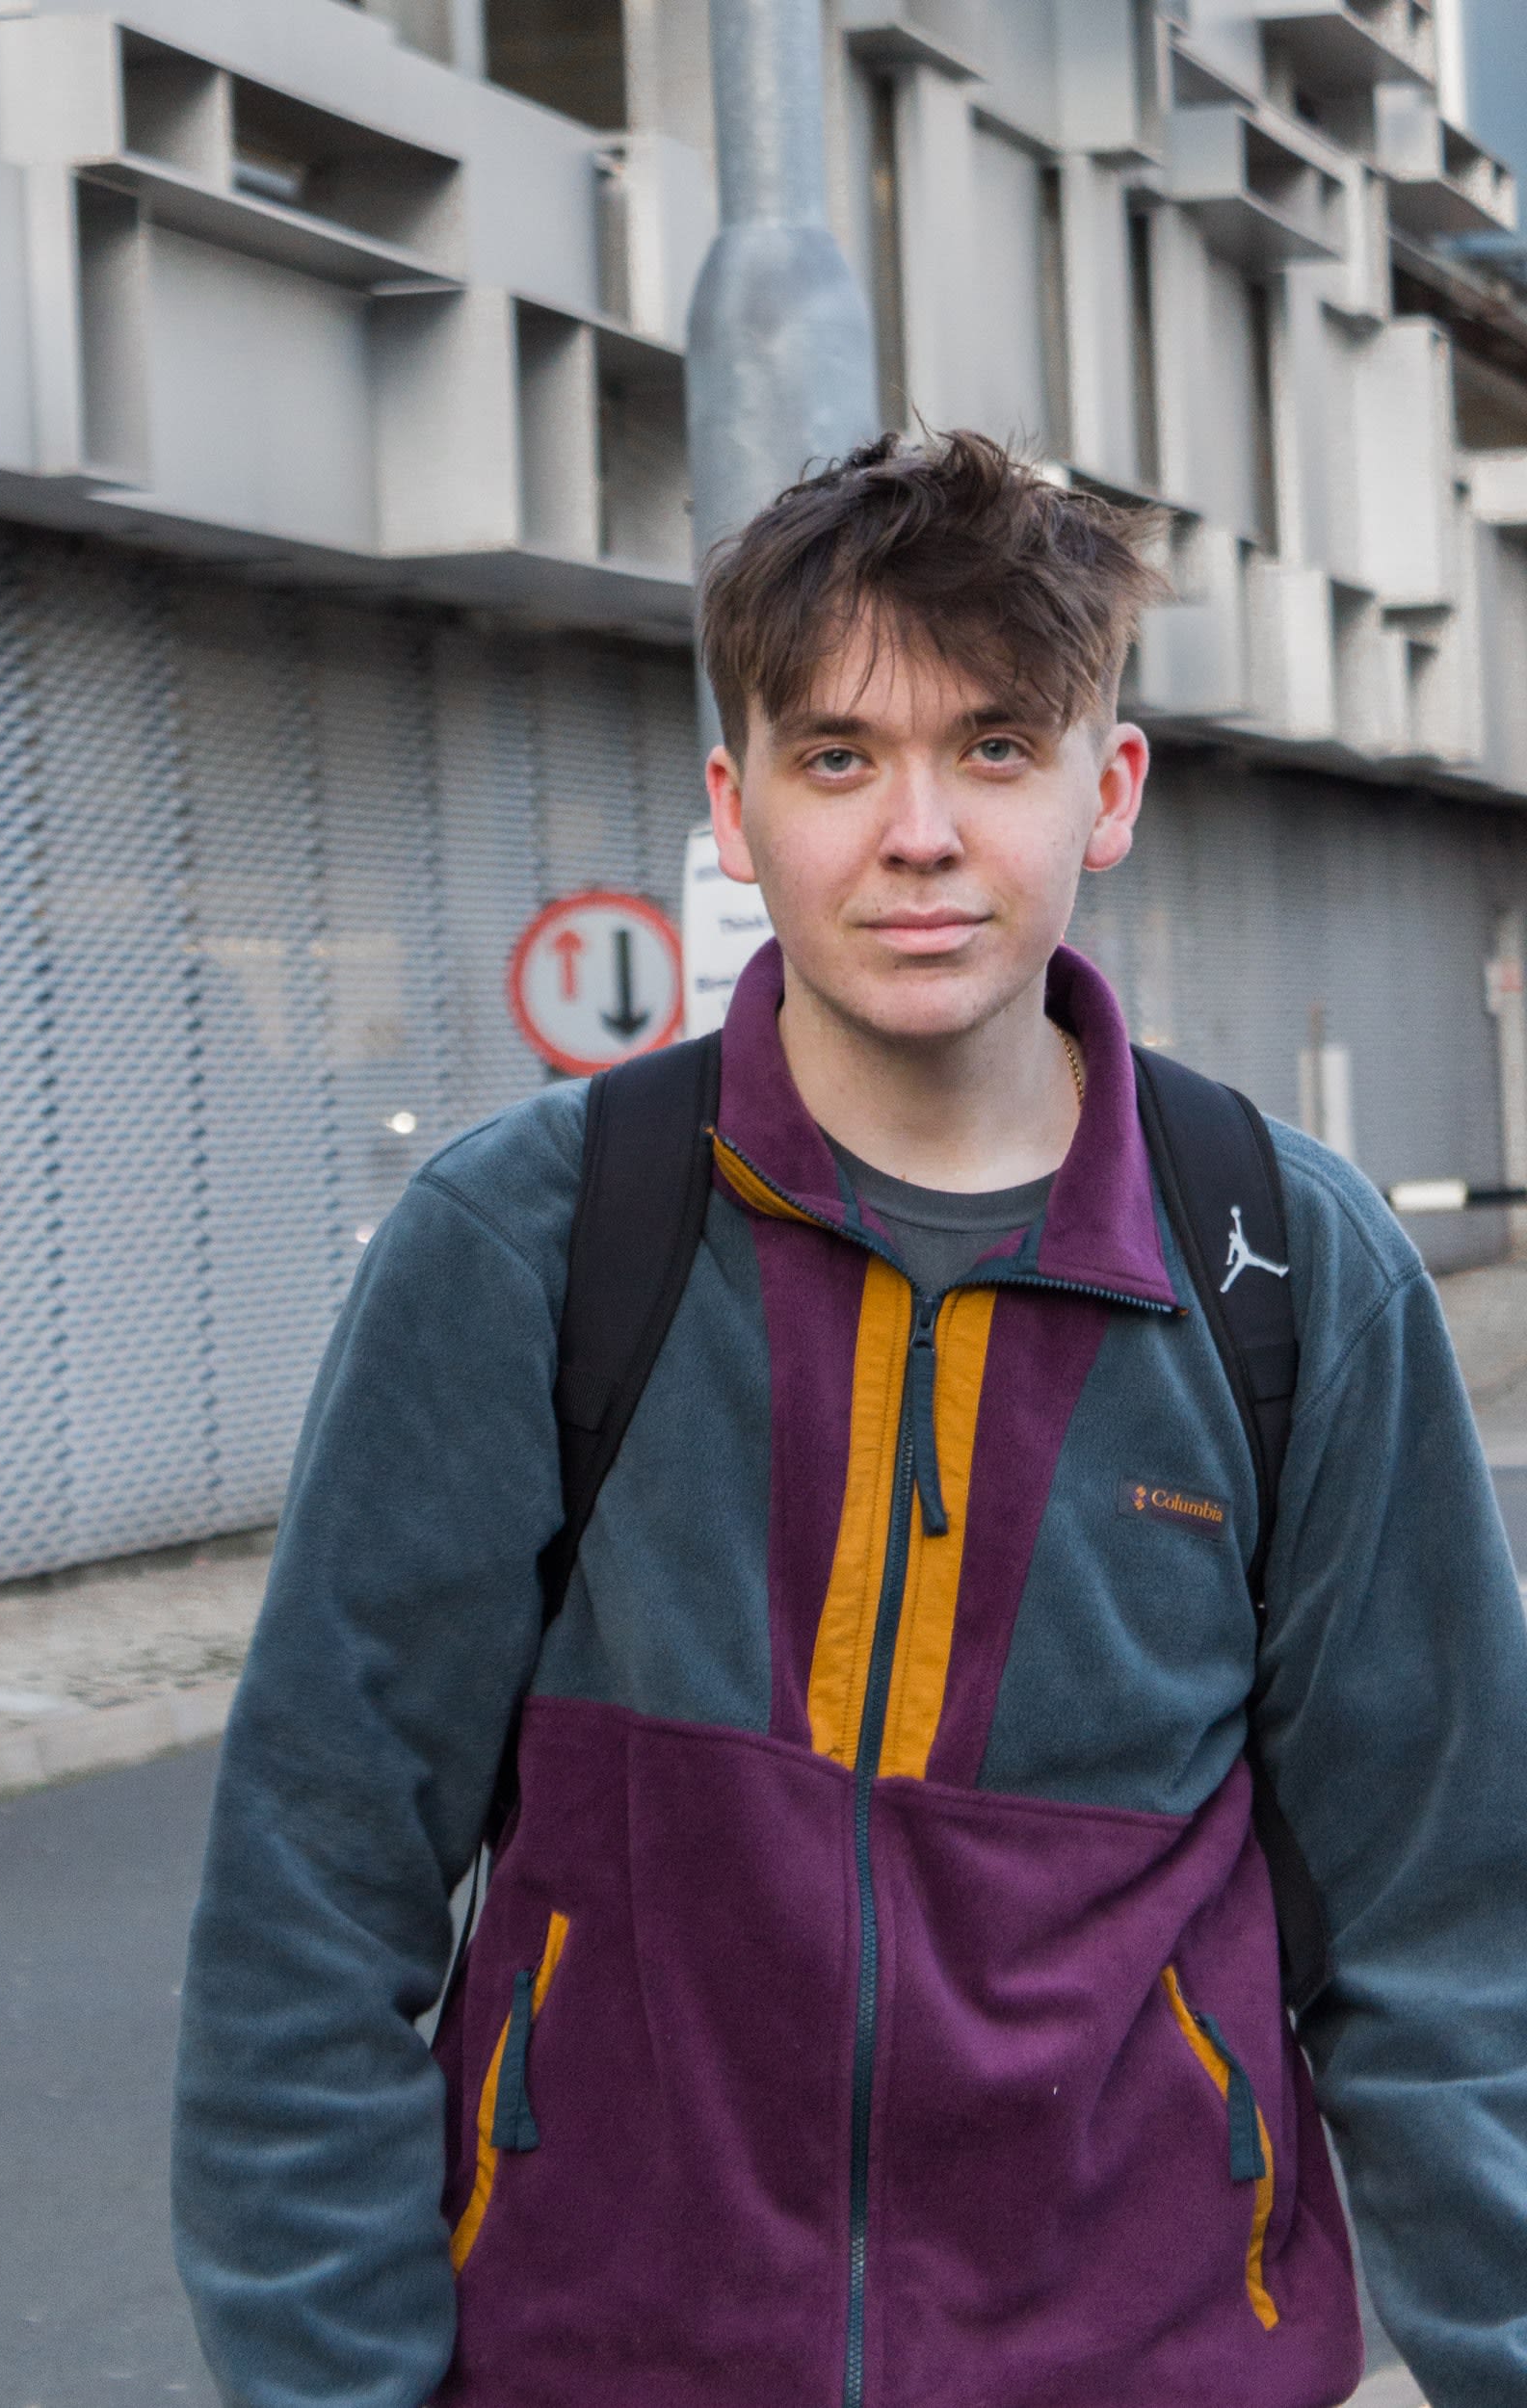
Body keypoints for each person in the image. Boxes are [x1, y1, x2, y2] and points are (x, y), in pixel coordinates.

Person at [171, 432, 1527, 2407]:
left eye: (994, 746)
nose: (917, 830)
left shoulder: (1288, 1270)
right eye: (837, 756)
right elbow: (317, 1901)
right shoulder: (532, 1241)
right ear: (734, 810)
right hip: (604, 2356)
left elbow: (1451, 1936)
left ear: (1108, 789)